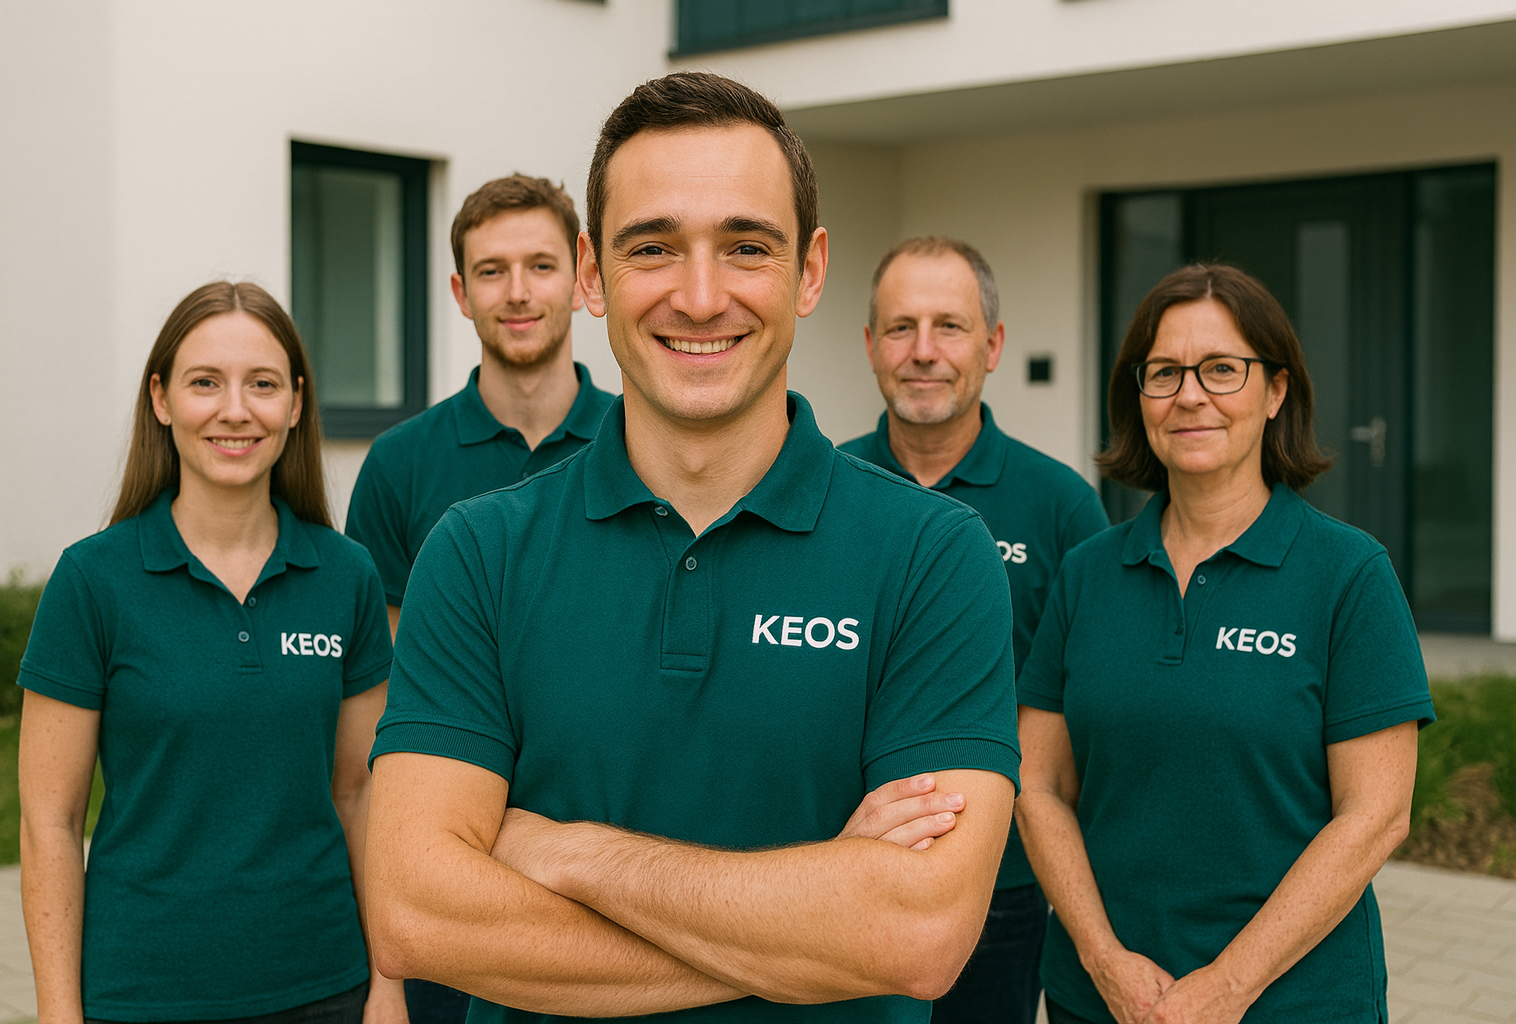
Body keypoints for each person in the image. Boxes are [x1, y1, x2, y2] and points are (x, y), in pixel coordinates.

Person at [364, 72, 1021, 1024]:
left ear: (810, 270)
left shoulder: (933, 555)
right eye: (653, 247)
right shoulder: (476, 553)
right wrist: (817, 917)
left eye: (747, 246)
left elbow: (918, 935)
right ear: (593, 274)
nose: (701, 295)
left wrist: (568, 853)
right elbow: (418, 917)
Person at [1015, 263, 1434, 1024]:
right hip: (1102, 996)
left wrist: (1228, 985)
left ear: (1276, 391)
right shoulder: (1087, 573)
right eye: (1164, 372)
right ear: (1137, 397)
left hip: (1294, 1001)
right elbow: (1040, 788)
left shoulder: (1347, 574)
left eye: (1221, 369)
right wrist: (1103, 958)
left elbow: (1375, 815)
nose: (1190, 395)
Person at [17, 282, 404, 1024]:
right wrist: (58, 1015)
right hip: (141, 991)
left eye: (262, 384)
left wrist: (388, 982)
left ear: (295, 403)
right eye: (205, 383)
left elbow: (360, 796)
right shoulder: (92, 581)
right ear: (161, 399)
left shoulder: (347, 575)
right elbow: (50, 824)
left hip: (325, 984)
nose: (235, 410)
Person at [840, 236, 1109, 1024]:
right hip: (837, 870)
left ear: (992, 345)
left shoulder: (1062, 507)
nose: (923, 352)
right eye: (900, 328)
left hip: (1004, 886)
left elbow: (1089, 707)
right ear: (869, 346)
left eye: (949, 327)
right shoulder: (817, 490)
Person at [346, 173, 616, 634]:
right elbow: (386, 669)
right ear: (461, 293)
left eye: (541, 266)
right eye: (491, 271)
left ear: (580, 282)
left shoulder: (638, 440)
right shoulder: (397, 463)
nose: (517, 293)